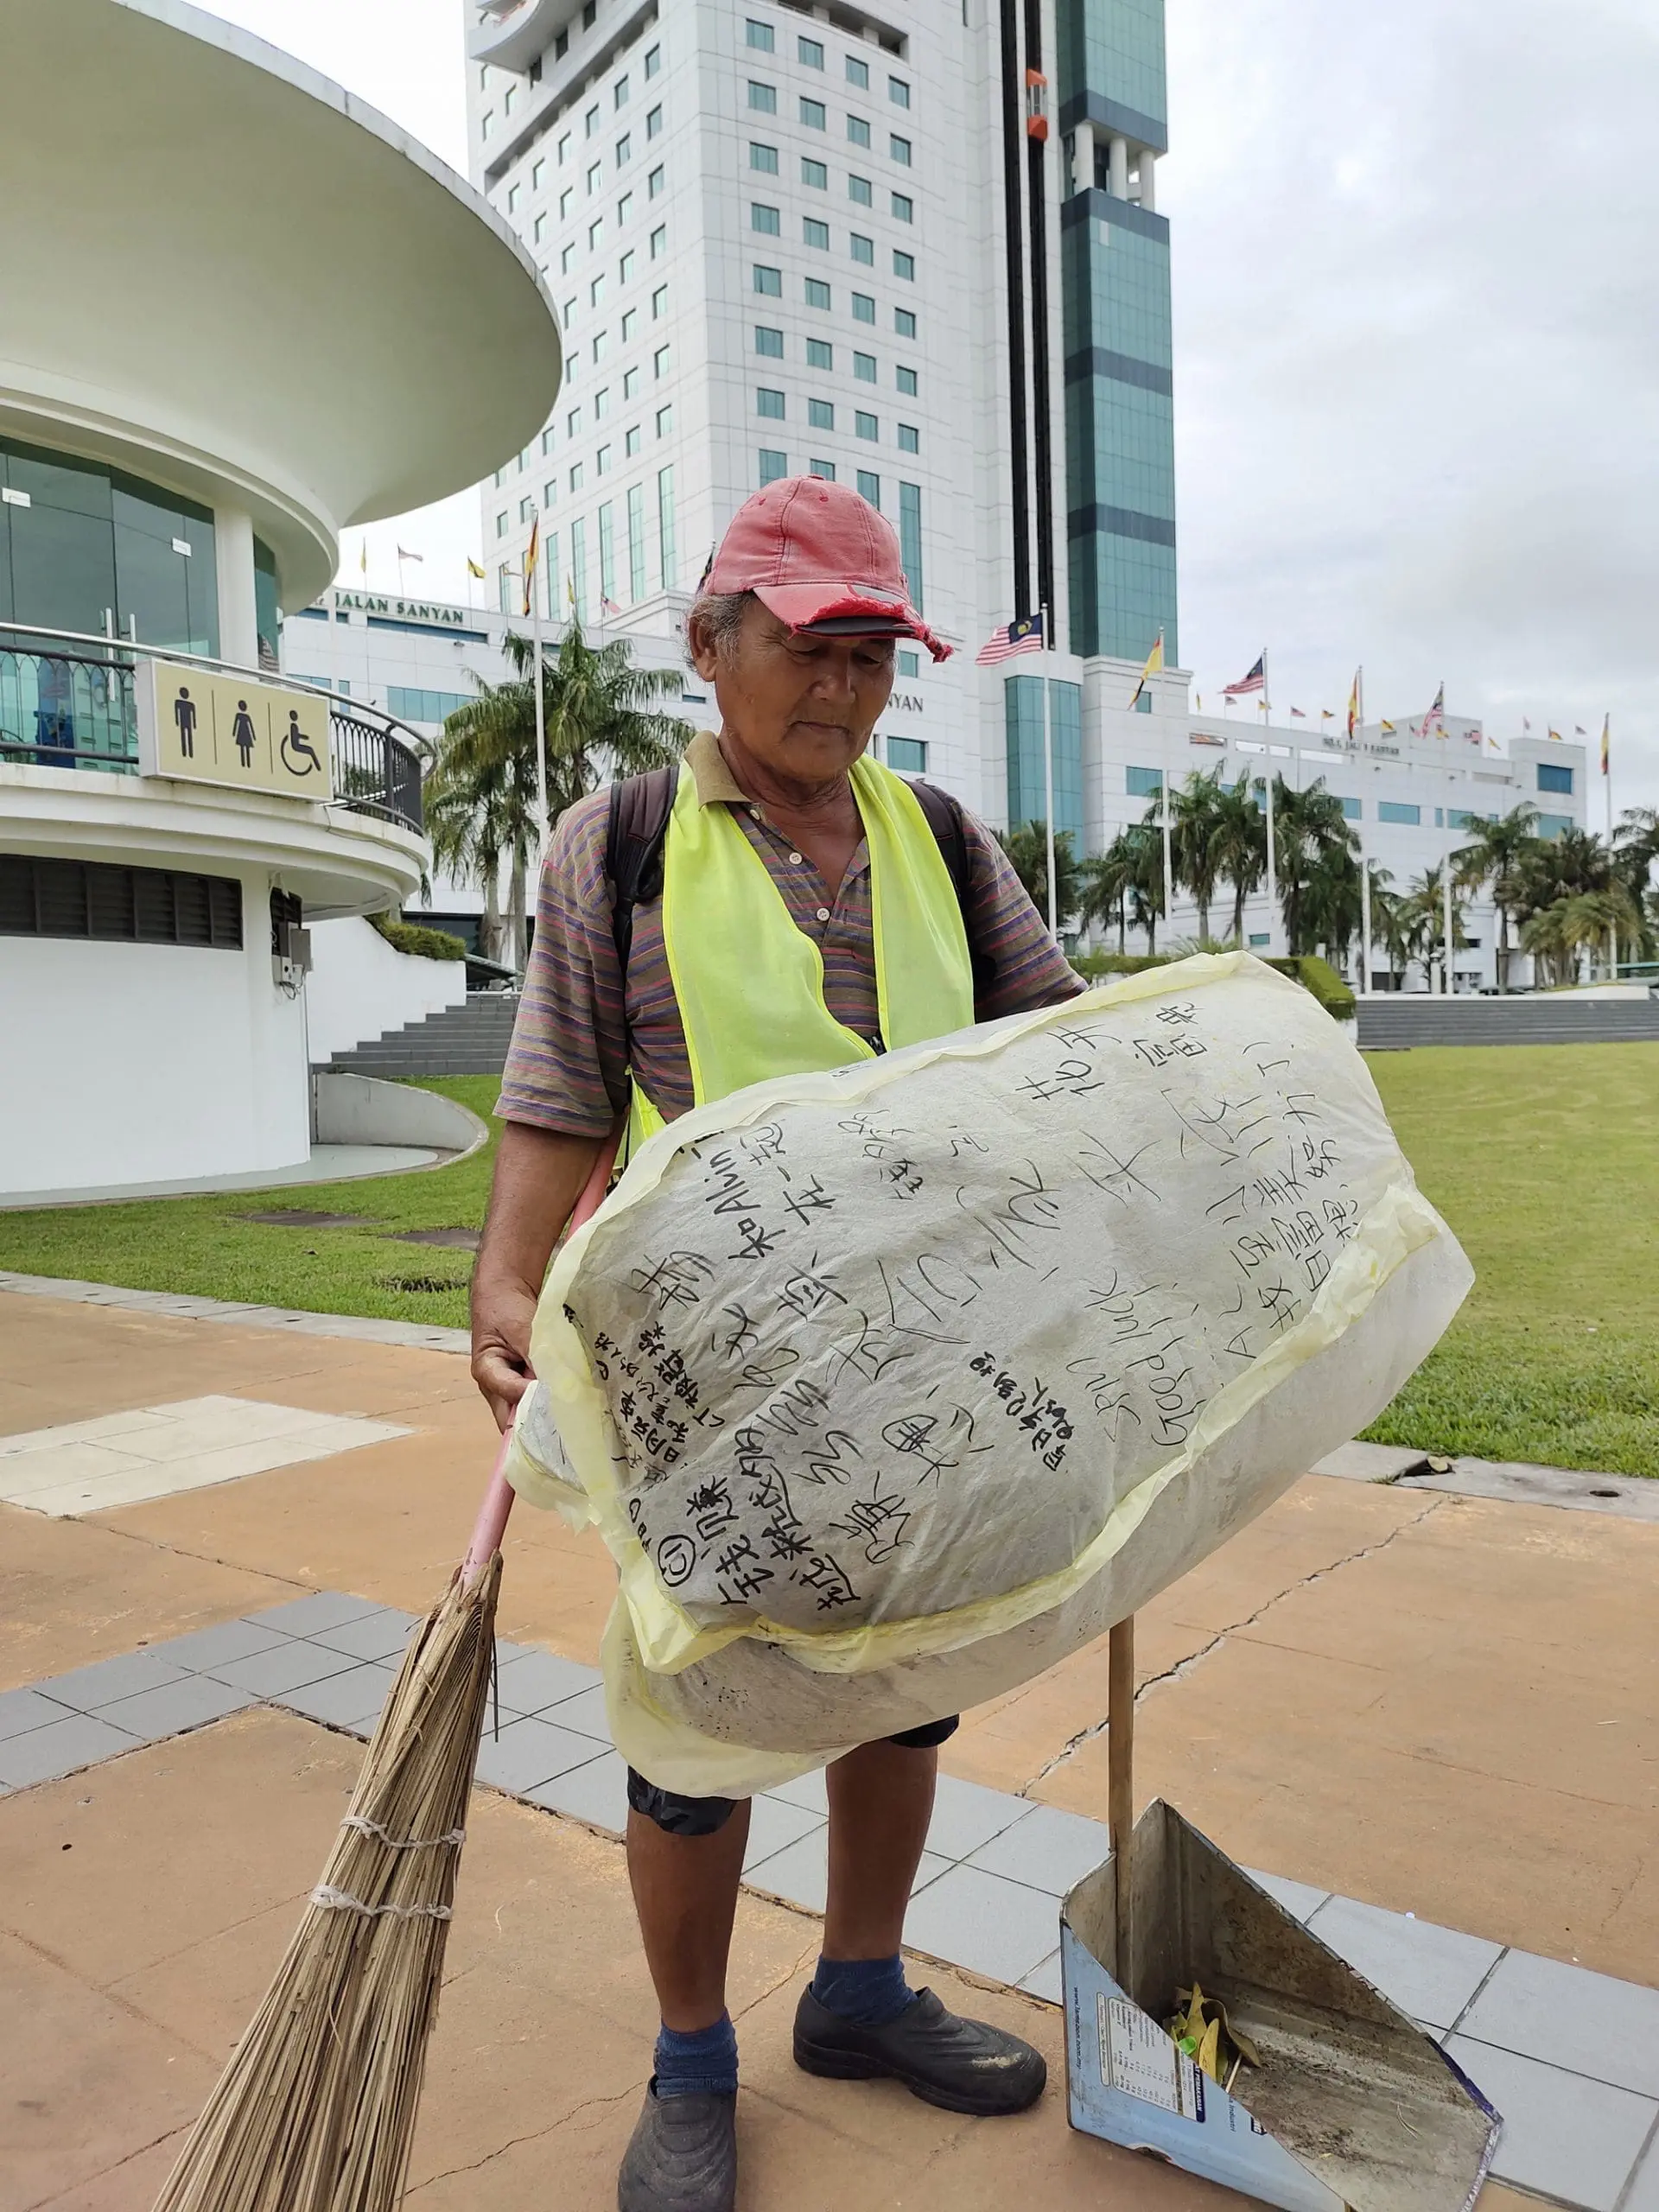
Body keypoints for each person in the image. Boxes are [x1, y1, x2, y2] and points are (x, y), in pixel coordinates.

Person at [471, 475, 1084, 2212]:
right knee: (700, 1719)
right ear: (710, 644)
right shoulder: (623, 841)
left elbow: (1054, 1053)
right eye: (811, 651)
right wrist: (505, 1285)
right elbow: (555, 1087)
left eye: (874, 658)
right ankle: (689, 2055)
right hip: (714, 1380)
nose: (843, 693)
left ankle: (860, 1984)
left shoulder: (945, 837)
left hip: (919, 1369)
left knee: (904, 1691)